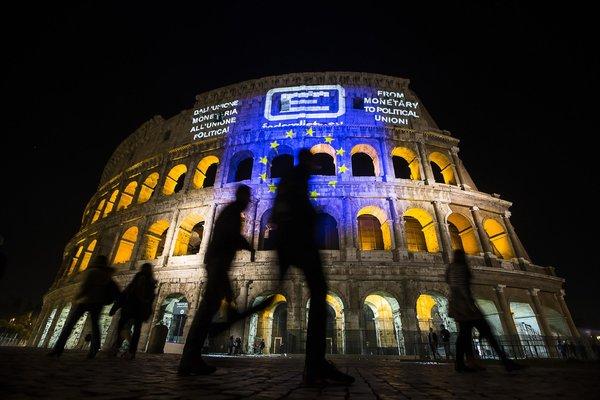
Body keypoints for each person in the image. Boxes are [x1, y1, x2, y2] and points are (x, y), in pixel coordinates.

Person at [272, 149, 354, 385]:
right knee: (319, 295)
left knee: (318, 295)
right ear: (307, 162)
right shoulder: (296, 178)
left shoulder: (294, 178)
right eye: (314, 162)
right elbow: (286, 211)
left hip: (295, 244)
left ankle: (315, 365)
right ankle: (315, 365)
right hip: (300, 244)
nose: (316, 167)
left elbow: (282, 211)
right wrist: (311, 216)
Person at [178, 185, 272, 375]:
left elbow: (229, 237)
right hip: (217, 261)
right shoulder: (231, 213)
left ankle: (191, 356)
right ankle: (190, 358)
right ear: (242, 197)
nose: (248, 202)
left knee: (210, 306)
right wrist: (247, 245)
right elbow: (229, 236)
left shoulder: (231, 212)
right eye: (247, 198)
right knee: (207, 309)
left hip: (217, 262)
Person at [446, 249, 525, 372]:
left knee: (464, 336)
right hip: (467, 307)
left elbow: (450, 283)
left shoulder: (451, 268)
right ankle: (505, 361)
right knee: (486, 333)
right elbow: (461, 287)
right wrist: (470, 305)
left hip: (458, 306)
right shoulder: (460, 268)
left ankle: (463, 364)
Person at [48, 255, 119, 358]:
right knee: (95, 326)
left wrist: (77, 297)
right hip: (98, 303)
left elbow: (86, 286)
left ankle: (58, 348)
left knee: (70, 325)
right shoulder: (108, 275)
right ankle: (94, 350)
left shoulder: (93, 272)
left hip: (86, 301)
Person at [108, 262, 157, 359]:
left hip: (130, 307)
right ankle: (131, 351)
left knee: (122, 327)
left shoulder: (138, 279)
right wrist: (148, 311)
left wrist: (116, 306)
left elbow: (127, 292)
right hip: (140, 309)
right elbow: (150, 299)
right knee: (136, 331)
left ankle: (117, 347)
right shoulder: (151, 282)